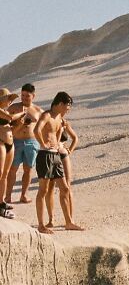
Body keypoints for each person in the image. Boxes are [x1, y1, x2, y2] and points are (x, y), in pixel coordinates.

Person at [34, 93, 84, 233]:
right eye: (68, 106)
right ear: (60, 104)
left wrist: (59, 146)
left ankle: (68, 222)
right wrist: (43, 144)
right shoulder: (46, 115)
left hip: (55, 156)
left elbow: (60, 135)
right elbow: (36, 129)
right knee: (43, 190)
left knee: (65, 188)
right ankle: (41, 225)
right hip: (45, 155)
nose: (69, 109)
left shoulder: (60, 119)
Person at [4, 82, 42, 204]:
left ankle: (24, 195)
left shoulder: (38, 111)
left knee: (28, 169)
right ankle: (8, 196)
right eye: (23, 95)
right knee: (12, 169)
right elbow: (6, 124)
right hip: (16, 141)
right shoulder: (13, 108)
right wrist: (20, 123)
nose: (24, 98)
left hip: (32, 142)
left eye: (27, 96)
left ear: (33, 96)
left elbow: (43, 128)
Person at [46, 112, 79, 229]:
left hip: (63, 155)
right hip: (52, 154)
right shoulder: (49, 122)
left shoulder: (64, 123)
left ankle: (70, 219)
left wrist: (70, 150)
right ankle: (51, 219)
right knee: (49, 187)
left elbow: (75, 138)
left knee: (67, 187)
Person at [0, 88, 17, 218]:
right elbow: (10, 117)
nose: (10, 101)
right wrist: (21, 114)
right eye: (9, 99)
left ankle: (1, 202)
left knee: (5, 174)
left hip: (10, 142)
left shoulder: (5, 110)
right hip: (0, 142)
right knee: (0, 173)